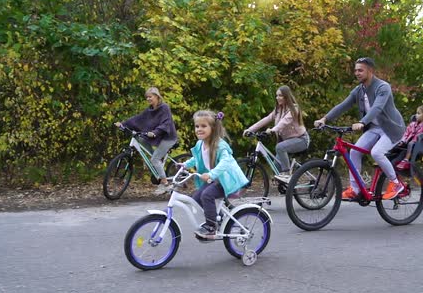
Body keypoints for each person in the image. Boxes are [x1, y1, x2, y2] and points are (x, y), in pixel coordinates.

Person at [314, 57, 406, 200]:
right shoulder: (359, 90)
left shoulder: (383, 87)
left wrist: (363, 122)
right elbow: (343, 105)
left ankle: (395, 183)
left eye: (360, 70)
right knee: (354, 152)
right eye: (355, 70)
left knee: (377, 153)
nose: (357, 73)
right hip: (374, 128)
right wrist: (325, 118)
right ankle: (355, 189)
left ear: (370, 71)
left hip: (391, 129)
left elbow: (377, 107)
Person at [182, 110, 249, 239]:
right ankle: (218, 218)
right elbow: (196, 158)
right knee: (196, 197)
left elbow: (225, 162)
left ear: (212, 128)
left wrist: (211, 174)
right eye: (197, 126)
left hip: (226, 180)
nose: (199, 129)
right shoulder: (200, 144)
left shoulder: (220, 145)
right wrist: (185, 165)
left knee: (207, 195)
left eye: (203, 126)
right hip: (215, 179)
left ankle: (211, 227)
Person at [114, 87, 178, 195]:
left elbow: (166, 123)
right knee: (140, 139)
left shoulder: (164, 108)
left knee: (155, 159)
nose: (148, 99)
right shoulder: (149, 110)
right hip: (158, 136)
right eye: (147, 97)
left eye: (150, 96)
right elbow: (137, 119)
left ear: (157, 96)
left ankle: (165, 184)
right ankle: (156, 165)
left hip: (167, 137)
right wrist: (123, 124)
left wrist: (155, 132)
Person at [243, 85, 309, 183]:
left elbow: (284, 122)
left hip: (301, 140)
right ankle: (287, 187)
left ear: (286, 97)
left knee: (280, 147)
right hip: (288, 141)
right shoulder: (278, 110)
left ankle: (287, 174)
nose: (277, 98)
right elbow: (266, 119)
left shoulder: (294, 109)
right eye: (277, 95)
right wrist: (250, 129)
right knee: (276, 168)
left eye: (280, 96)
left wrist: (273, 130)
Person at [394, 105, 423, 170]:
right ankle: (387, 156)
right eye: (416, 113)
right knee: (397, 143)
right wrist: (403, 140)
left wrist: (421, 138)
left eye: (418, 113)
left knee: (411, 143)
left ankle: (406, 159)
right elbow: (406, 133)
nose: (416, 115)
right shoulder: (412, 124)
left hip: (418, 144)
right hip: (408, 141)